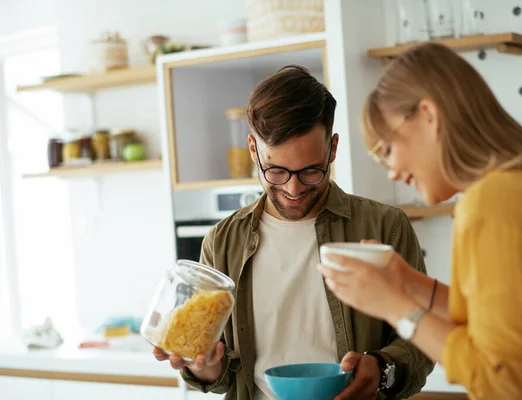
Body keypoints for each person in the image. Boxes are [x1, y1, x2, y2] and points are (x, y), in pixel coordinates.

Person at [318, 43, 522, 400]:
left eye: (387, 150)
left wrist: (392, 304)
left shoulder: (494, 205)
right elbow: (503, 320)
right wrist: (406, 282)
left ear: (429, 116)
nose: (390, 172)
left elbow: (500, 378)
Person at [153, 65, 434, 400]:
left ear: (332, 148)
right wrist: (205, 367)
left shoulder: (385, 227)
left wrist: (382, 367)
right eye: (275, 170)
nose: (293, 187)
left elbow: (422, 341)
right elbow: (223, 372)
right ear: (254, 150)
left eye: (311, 171)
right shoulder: (223, 241)